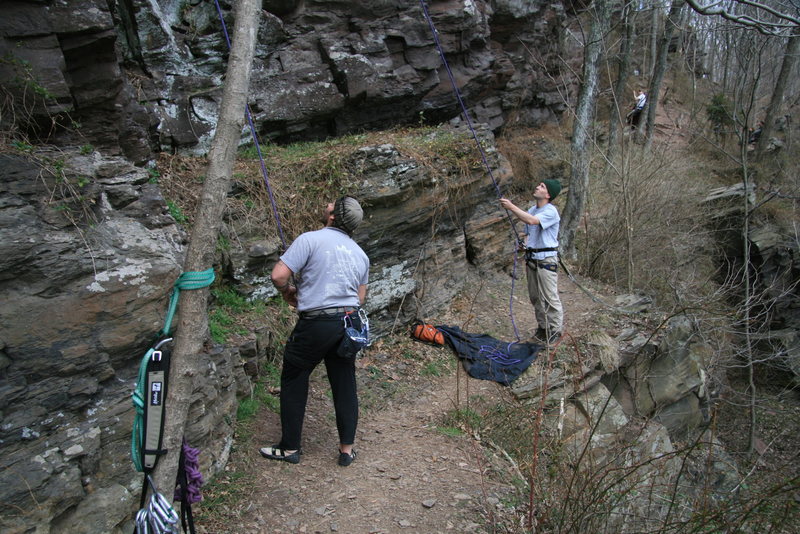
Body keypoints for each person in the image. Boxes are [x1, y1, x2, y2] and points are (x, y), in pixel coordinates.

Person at [261, 196, 370, 467]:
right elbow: (360, 298)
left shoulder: (310, 239)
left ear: (333, 216)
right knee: (344, 383)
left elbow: (278, 276)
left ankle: (289, 449)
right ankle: (347, 449)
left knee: (294, 377)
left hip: (316, 323)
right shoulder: (360, 254)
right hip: (348, 323)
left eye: (331, 204)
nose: (327, 204)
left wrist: (288, 292)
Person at [499, 179, 564, 345]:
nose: (537, 186)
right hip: (532, 259)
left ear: (548, 194)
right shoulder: (532, 210)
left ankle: (555, 330)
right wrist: (524, 242)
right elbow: (528, 232)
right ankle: (543, 328)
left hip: (546, 259)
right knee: (535, 297)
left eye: (542, 186)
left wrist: (511, 207)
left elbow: (532, 221)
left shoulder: (551, 211)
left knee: (550, 297)